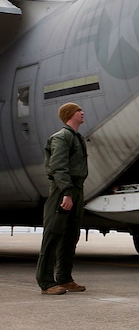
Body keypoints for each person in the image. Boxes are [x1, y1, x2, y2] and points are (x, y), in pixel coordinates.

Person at [36, 102, 88, 295]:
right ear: (69, 115)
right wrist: (66, 192)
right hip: (62, 189)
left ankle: (65, 278)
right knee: (53, 234)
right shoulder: (61, 137)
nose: (82, 112)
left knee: (70, 235)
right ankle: (46, 282)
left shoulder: (77, 138)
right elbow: (58, 167)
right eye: (78, 110)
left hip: (76, 188)